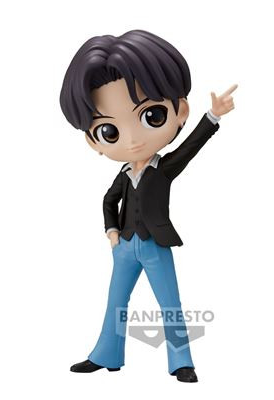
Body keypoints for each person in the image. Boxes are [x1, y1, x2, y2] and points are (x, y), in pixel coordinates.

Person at [60, 29, 237, 382]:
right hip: (125, 245)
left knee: (169, 303)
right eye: (109, 131)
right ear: (93, 141)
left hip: (155, 243)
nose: (132, 140)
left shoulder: (164, 168)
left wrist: (213, 116)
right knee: (116, 303)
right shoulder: (124, 173)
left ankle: (181, 362)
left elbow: (190, 147)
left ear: (179, 111)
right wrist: (112, 231)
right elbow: (109, 200)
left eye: (151, 115)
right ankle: (106, 354)